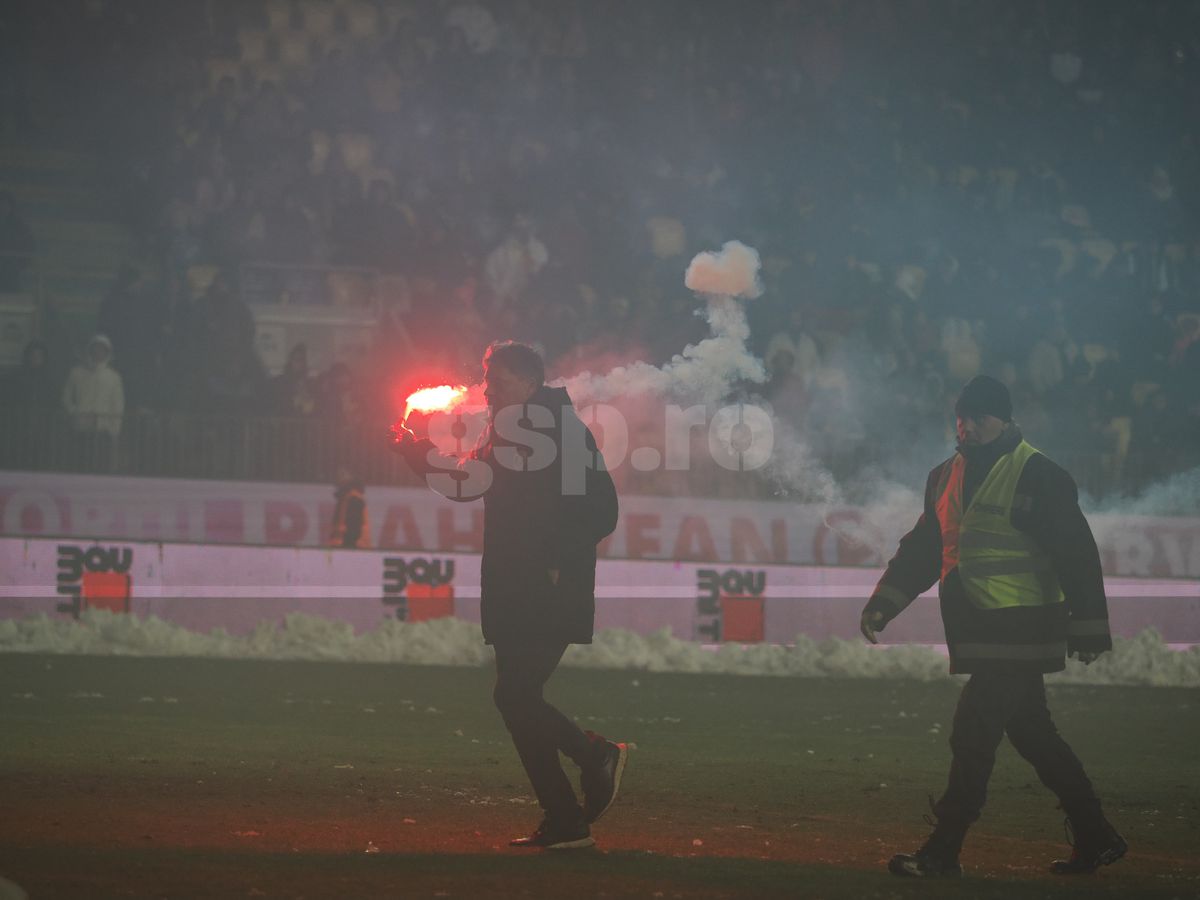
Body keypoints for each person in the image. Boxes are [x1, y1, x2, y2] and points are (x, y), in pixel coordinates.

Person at [859, 374, 1126, 878]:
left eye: (980, 416)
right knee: (1034, 735)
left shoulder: (1040, 474)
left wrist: (1089, 627)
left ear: (1005, 420)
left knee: (974, 729)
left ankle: (943, 851)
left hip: (1025, 627)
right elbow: (923, 548)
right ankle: (1098, 836)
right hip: (983, 626)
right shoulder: (942, 475)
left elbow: (1077, 554)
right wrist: (884, 603)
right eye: (962, 416)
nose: (968, 425)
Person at [388, 340, 625, 850]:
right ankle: (566, 814)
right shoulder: (507, 432)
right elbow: (465, 484)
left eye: (496, 380)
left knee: (514, 696)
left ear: (530, 382)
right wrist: (413, 450)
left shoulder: (559, 431)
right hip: (517, 585)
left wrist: (558, 559)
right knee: (518, 701)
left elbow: (603, 508)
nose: (487, 389)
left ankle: (591, 760)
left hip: (546, 586)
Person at [61, 334, 125, 472]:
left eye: (102, 349)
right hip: (80, 429)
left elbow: (118, 405)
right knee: (79, 464)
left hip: (103, 431)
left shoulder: (114, 377)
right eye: (95, 349)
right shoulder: (76, 372)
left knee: (101, 467)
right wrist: (75, 413)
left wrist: (115, 431)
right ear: (90, 350)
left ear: (108, 352)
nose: (98, 352)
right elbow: (66, 398)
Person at [327, 465, 370, 549]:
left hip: (351, 548)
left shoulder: (353, 499)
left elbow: (354, 528)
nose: (338, 478)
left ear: (351, 477)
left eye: (342, 474)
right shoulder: (346, 498)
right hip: (346, 548)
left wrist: (346, 547)